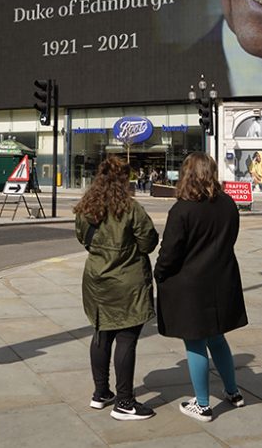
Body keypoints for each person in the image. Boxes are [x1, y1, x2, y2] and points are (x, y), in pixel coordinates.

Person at [155, 153, 248, 422]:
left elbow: (170, 252)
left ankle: (203, 405)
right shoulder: (229, 204)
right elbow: (230, 239)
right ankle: (233, 392)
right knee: (217, 338)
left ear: (187, 174)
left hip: (192, 285)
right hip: (221, 280)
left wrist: (159, 273)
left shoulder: (183, 209)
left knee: (194, 341)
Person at [73, 156, 159, 421]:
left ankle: (100, 393)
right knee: (126, 338)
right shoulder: (131, 208)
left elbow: (82, 239)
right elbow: (148, 243)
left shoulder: (87, 208)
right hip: (128, 282)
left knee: (101, 333)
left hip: (97, 279)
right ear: (125, 180)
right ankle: (124, 401)